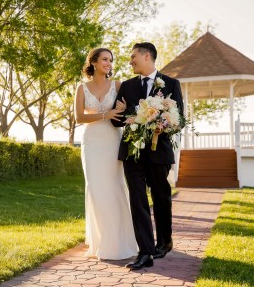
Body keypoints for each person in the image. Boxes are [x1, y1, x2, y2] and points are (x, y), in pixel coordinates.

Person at [111, 42, 184, 269]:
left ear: (147, 56)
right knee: (138, 200)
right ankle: (145, 251)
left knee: (161, 198)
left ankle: (165, 241)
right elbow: (116, 120)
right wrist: (122, 114)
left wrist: (164, 125)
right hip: (132, 152)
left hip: (159, 152)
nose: (130, 60)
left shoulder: (171, 84)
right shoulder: (127, 86)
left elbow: (178, 120)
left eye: (133, 56)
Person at [74, 47, 138, 260]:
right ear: (93, 62)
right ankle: (100, 241)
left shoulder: (118, 86)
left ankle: (119, 242)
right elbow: (79, 118)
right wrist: (105, 114)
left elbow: (127, 113)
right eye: (104, 59)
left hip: (112, 140)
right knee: (95, 189)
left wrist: (121, 111)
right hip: (91, 142)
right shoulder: (81, 88)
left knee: (114, 186)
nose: (109, 63)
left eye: (110, 60)